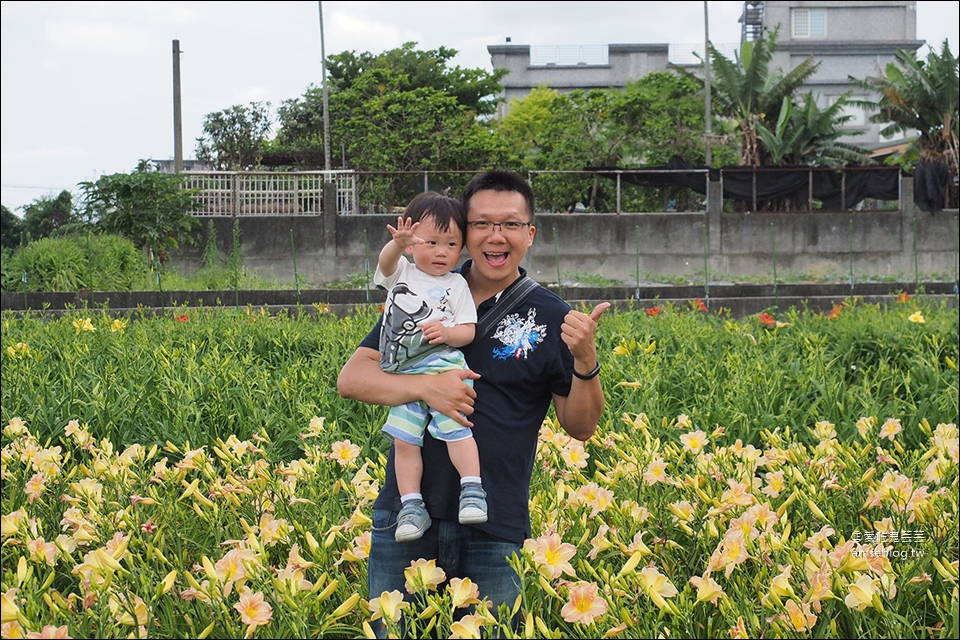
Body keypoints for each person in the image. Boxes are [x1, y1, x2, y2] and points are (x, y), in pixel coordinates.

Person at [337, 170, 609, 629]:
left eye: (510, 224)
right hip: (407, 515)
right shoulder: (425, 287)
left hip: (494, 525)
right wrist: (425, 387)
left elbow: (580, 426)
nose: (495, 236)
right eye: (482, 224)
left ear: (530, 233)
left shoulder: (551, 315)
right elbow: (354, 378)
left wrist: (585, 359)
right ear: (464, 232)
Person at [373, 192, 484, 544]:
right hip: (403, 374)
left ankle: (472, 489)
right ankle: (411, 506)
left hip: (443, 369)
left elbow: (468, 330)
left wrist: (448, 332)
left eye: (451, 244)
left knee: (457, 428)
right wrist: (396, 244)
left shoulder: (457, 284)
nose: (441, 252)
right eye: (431, 242)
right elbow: (385, 264)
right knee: (405, 441)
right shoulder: (402, 272)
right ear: (411, 245)